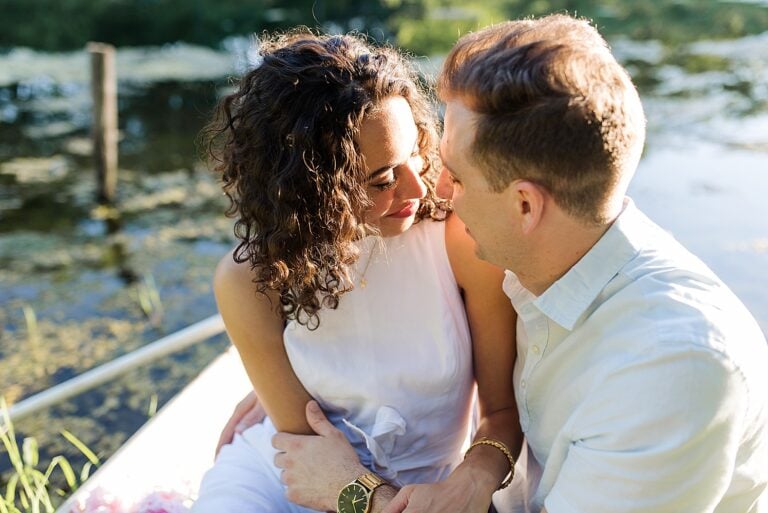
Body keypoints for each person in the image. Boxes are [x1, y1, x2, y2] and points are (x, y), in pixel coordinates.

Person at [268, 14, 768, 513]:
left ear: (525, 206)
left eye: (456, 178)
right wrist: (312, 375)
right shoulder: (551, 255)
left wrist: (354, 495)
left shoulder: (669, 369)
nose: (434, 192)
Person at [192, 32, 522, 513]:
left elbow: (500, 414)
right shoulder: (248, 281)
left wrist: (473, 477)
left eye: (417, 154)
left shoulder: (460, 242)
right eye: (382, 179)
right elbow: (309, 460)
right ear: (313, 190)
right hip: (290, 481)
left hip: (422, 493)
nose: (418, 185)